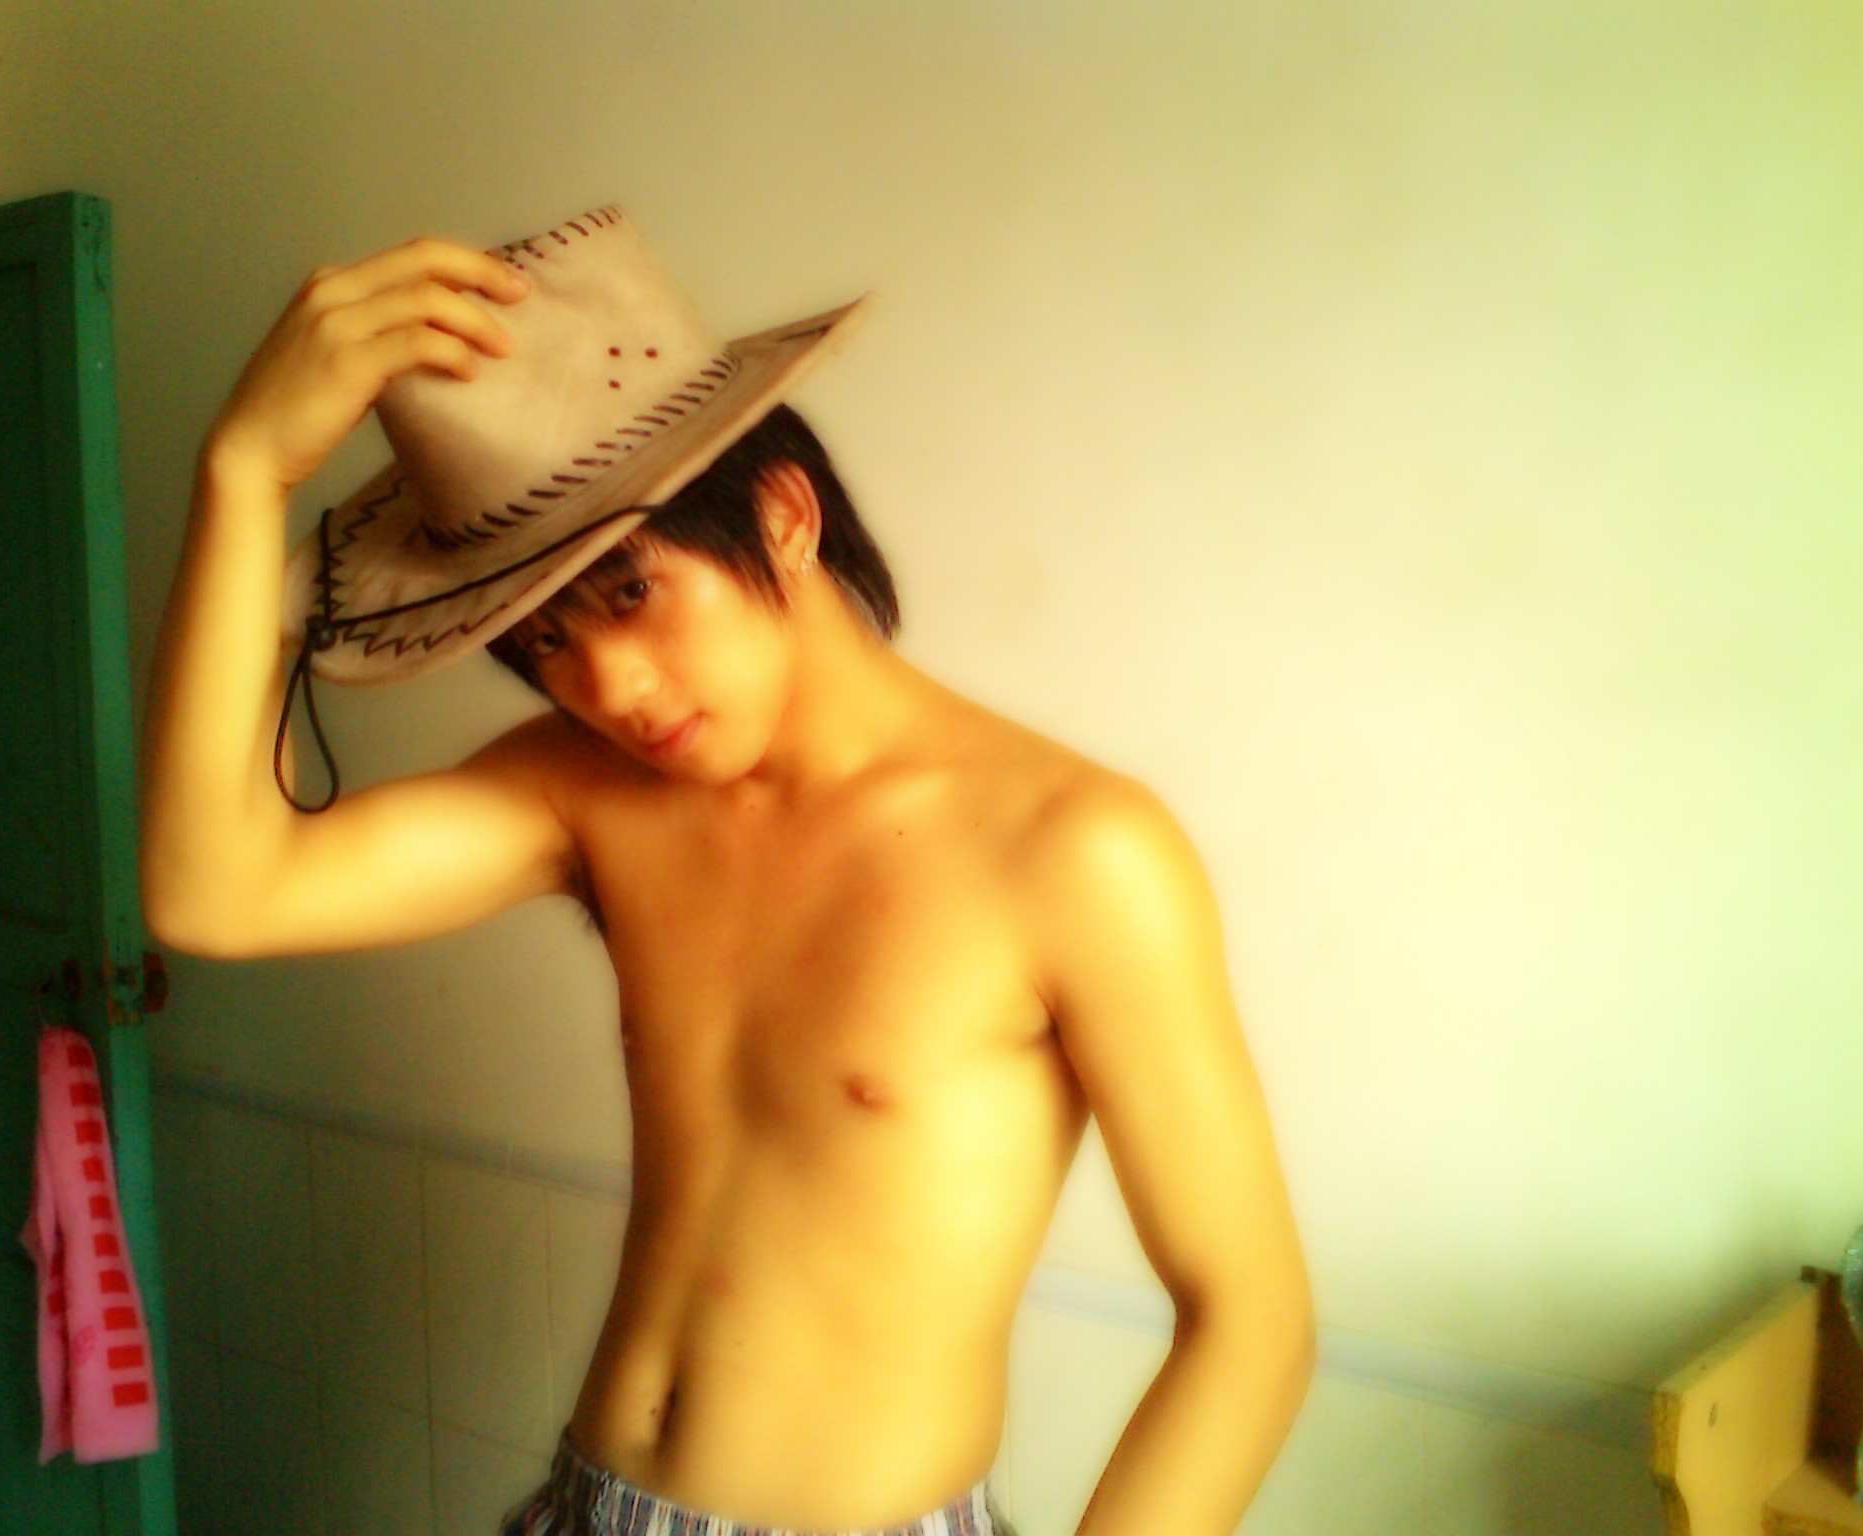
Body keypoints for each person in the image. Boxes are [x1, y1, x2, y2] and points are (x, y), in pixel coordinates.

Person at [140, 205, 1315, 1536]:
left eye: (630, 593)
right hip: (583, 1507)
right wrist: (244, 476)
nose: (611, 689)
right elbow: (214, 892)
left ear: (784, 514)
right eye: (545, 643)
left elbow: (1251, 1321)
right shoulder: (589, 793)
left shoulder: (1074, 849)